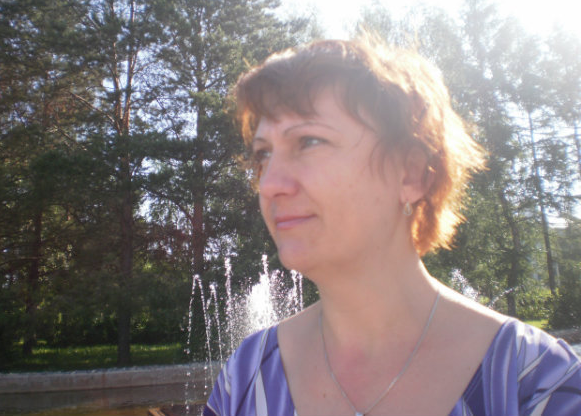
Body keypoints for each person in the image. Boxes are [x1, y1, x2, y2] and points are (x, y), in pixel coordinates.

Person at [203, 36, 581, 416]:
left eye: (309, 141)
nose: (269, 183)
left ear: (411, 173)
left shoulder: (536, 386)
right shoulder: (244, 379)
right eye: (263, 154)